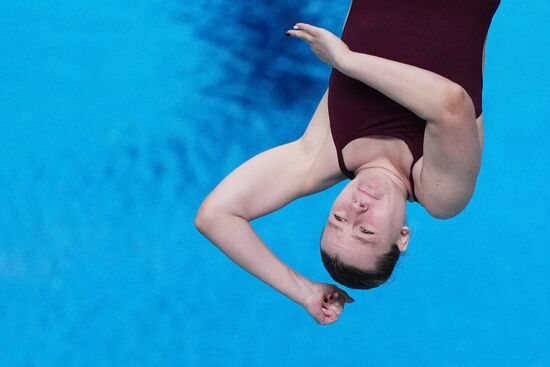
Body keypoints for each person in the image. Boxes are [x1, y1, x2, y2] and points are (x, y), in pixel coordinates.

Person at [195, 0, 501, 325]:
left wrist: (305, 292)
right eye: (366, 230)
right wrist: (345, 61)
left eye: (338, 218)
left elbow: (215, 215)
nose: (356, 209)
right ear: (402, 236)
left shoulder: (321, 152)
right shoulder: (441, 194)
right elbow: (451, 105)